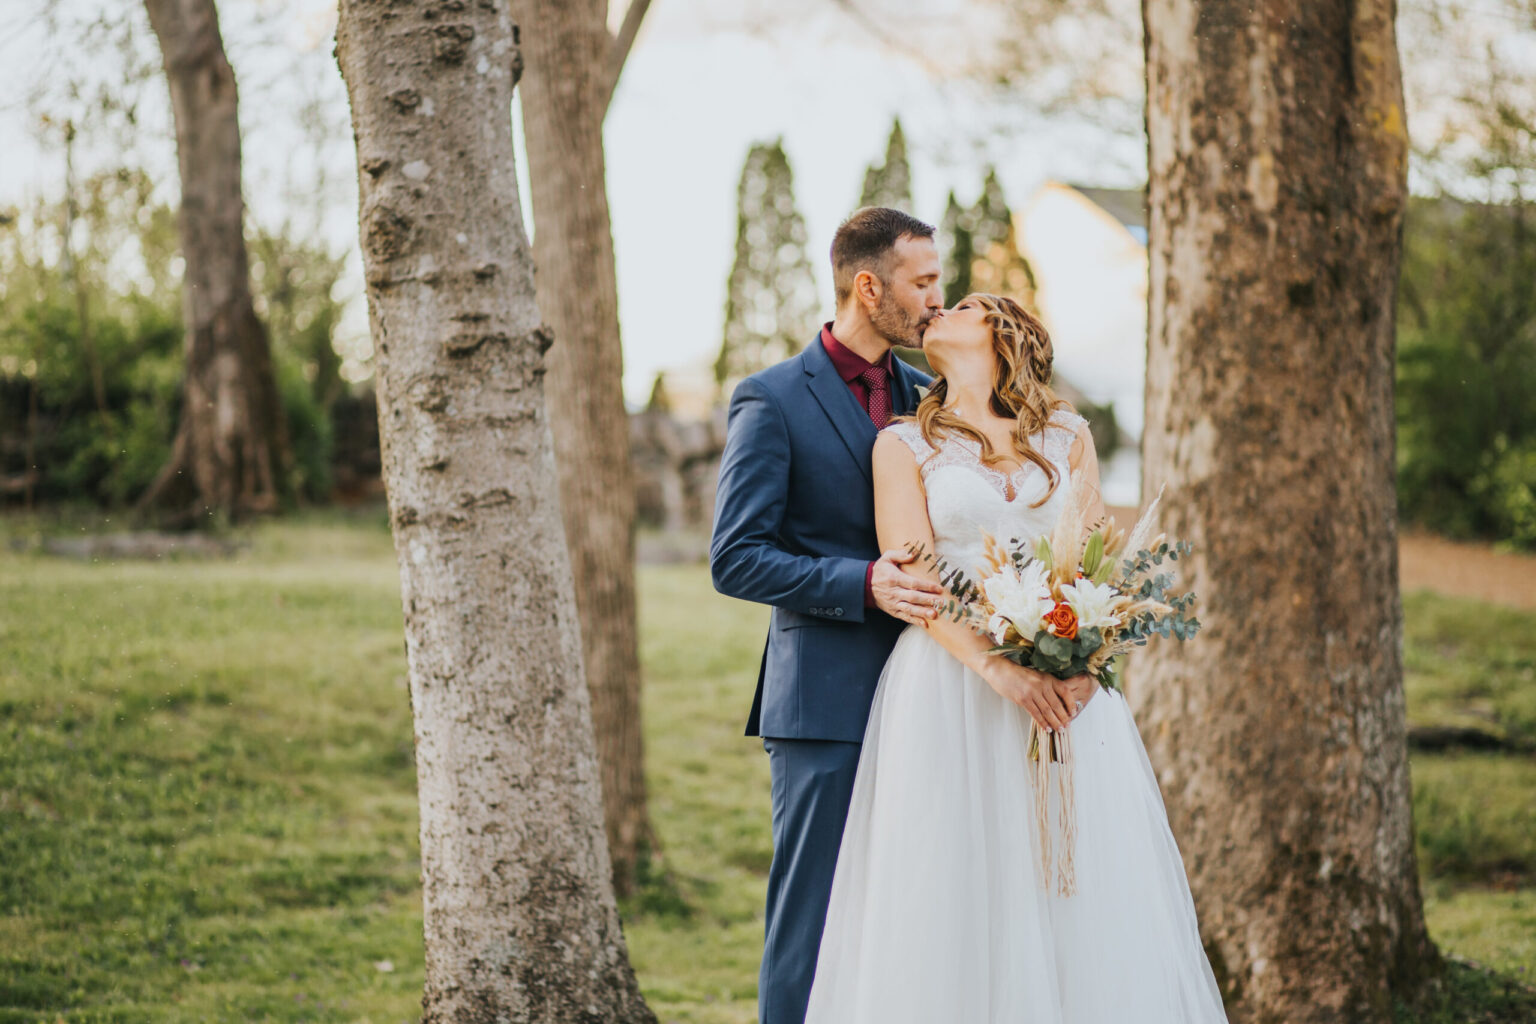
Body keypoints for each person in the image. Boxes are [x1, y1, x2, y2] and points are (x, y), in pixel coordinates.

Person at [710, 208, 1092, 1024]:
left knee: (924, 922)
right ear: (868, 285)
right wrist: (863, 584)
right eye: (923, 283)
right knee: (817, 919)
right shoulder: (772, 398)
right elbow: (735, 557)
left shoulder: (933, 399)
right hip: (831, 700)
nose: (935, 299)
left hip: (946, 701)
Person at [803, 294, 1229, 1023]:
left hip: (1065, 693)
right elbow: (918, 570)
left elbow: (1098, 564)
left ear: (1006, 334)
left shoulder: (1067, 435)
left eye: (962, 302)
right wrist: (999, 666)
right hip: (949, 685)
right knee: (954, 881)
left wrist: (1084, 663)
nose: (936, 305)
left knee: (1073, 884)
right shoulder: (902, 445)